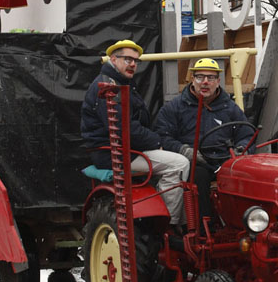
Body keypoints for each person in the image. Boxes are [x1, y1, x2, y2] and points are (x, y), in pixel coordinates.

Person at [81, 40, 190, 227]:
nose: (133, 64)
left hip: (125, 149)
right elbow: (124, 129)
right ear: (113, 60)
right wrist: (157, 142)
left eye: (136, 61)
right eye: (127, 59)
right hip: (115, 154)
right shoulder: (108, 88)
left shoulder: (122, 84)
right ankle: (169, 224)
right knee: (179, 164)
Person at [154, 58, 253, 227]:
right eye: (200, 77)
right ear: (192, 79)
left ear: (218, 81)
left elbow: (247, 133)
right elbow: (162, 136)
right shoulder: (175, 107)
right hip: (195, 163)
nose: (205, 82)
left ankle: (250, 225)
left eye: (211, 77)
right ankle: (202, 230)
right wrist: (184, 150)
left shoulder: (230, 108)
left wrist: (241, 149)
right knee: (199, 177)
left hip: (225, 160)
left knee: (251, 176)